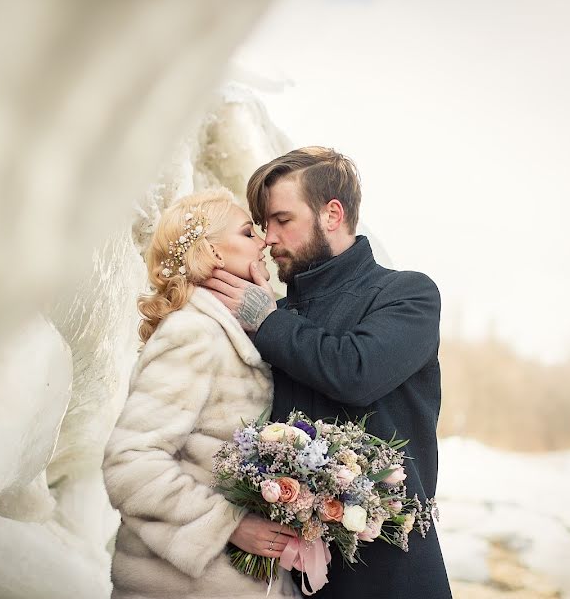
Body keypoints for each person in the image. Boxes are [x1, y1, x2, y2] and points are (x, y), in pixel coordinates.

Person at [202, 147, 453, 598]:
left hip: (394, 574)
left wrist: (268, 320)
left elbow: (355, 371)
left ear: (332, 213)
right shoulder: (274, 315)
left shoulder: (407, 294)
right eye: (262, 225)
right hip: (288, 578)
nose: (269, 238)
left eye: (282, 220)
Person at [103, 188, 300, 599]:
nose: (264, 240)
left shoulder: (234, 329)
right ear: (211, 251)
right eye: (249, 233)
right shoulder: (193, 332)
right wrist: (231, 524)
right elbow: (131, 464)